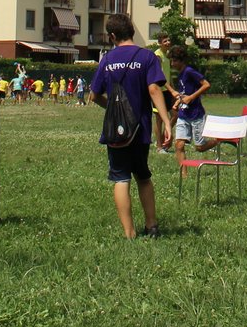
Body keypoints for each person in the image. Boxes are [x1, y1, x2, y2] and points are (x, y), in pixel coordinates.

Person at [90, 13, 171, 239]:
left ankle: (129, 233)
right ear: (132, 31)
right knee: (143, 176)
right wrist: (166, 121)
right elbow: (154, 90)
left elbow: (94, 95)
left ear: (112, 36)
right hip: (141, 128)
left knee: (120, 177)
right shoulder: (146, 57)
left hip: (116, 130)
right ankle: (152, 226)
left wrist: (113, 110)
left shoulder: (106, 60)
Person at [167, 43, 218, 165]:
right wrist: (178, 101)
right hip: (183, 115)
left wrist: (191, 97)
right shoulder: (180, 75)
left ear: (181, 60)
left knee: (199, 147)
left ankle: (219, 140)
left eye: (174, 61)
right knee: (179, 145)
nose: (172, 64)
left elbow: (206, 84)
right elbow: (184, 93)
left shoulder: (189, 71)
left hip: (196, 115)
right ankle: (183, 175)